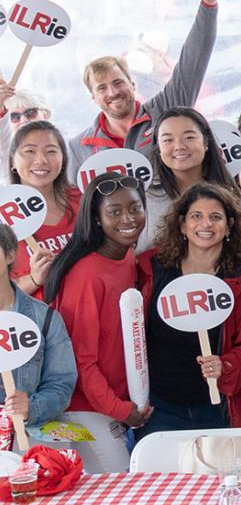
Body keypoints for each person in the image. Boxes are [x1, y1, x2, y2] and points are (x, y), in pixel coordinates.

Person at [138, 183, 241, 436]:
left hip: (218, 405)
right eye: (196, 216)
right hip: (160, 406)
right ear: (182, 225)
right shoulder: (150, 268)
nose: (206, 224)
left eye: (216, 217)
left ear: (229, 227)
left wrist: (227, 366)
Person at [67, 0, 225, 173]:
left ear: (132, 84)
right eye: (102, 88)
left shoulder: (165, 110)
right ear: (93, 97)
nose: (113, 93)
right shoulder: (80, 147)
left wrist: (209, 3)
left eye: (118, 83)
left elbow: (193, 62)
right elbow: (74, 200)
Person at [47, 173, 151, 472]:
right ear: (95, 218)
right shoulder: (86, 275)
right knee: (117, 493)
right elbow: (81, 360)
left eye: (135, 208)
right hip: (84, 408)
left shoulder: (127, 257)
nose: (128, 219)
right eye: (114, 212)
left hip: (115, 403)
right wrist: (119, 409)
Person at [0, 224, 75, 452]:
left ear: (11, 253)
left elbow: (61, 384)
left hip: (28, 442)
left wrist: (31, 408)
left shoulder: (45, 318)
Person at [140, 107, 240, 252]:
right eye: (168, 140)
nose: (179, 146)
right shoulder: (146, 197)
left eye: (189, 137)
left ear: (206, 143)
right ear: (158, 148)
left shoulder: (229, 193)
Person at [7, 120, 80, 297]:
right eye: (29, 151)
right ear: (13, 161)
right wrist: (33, 279)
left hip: (92, 312)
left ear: (63, 160)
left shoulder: (83, 199)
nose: (41, 160)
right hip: (40, 321)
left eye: (51, 151)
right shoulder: (3, 213)